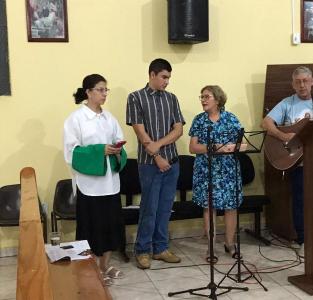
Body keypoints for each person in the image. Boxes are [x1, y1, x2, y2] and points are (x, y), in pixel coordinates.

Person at [261, 66, 313, 249]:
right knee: (300, 200)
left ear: (312, 82)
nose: (302, 85)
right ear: (293, 85)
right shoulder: (287, 104)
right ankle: (303, 239)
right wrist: (282, 136)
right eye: (298, 82)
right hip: (297, 162)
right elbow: (266, 122)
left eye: (305, 81)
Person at [64, 74, 127, 286]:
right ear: (88, 92)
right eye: (100, 90)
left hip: (110, 182)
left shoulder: (109, 118)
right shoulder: (76, 118)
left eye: (106, 90)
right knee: (92, 228)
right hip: (90, 185)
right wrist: (101, 150)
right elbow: (72, 152)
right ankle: (91, 269)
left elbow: (120, 143)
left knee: (110, 226)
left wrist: (117, 150)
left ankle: (105, 265)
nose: (104, 94)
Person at [126, 58, 185, 269]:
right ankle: (142, 250)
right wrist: (157, 156)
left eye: (169, 77)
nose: (167, 82)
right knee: (149, 208)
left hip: (172, 162)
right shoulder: (136, 97)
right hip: (149, 164)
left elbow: (178, 129)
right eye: (164, 77)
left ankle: (161, 248)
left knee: (165, 208)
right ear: (152, 75)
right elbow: (140, 132)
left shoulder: (171, 98)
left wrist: (159, 145)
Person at [189, 85, 243, 262]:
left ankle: (230, 244)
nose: (203, 100)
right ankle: (211, 247)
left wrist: (232, 147)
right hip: (206, 169)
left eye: (207, 96)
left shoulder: (231, 119)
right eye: (201, 96)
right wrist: (213, 148)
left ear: (218, 100)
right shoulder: (199, 120)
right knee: (209, 207)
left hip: (228, 170)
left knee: (231, 207)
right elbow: (193, 147)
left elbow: (244, 144)